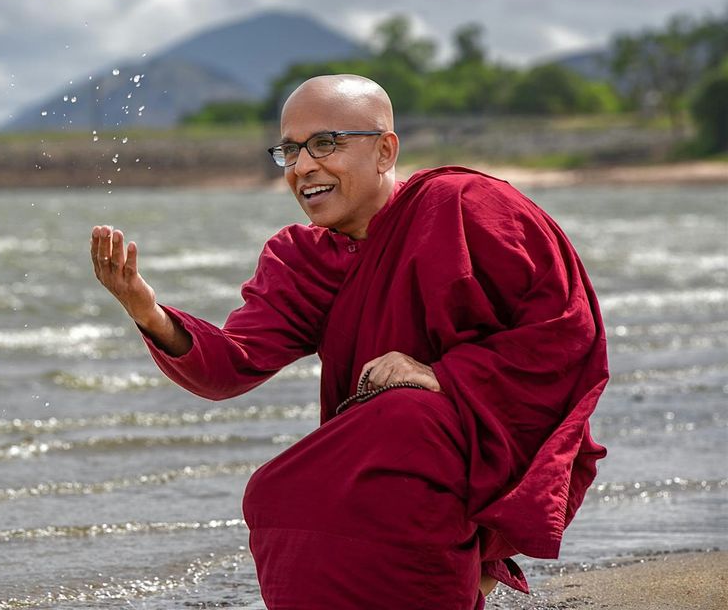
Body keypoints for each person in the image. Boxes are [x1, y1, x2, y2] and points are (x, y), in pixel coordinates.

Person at [89, 74, 608, 609]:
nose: (302, 166)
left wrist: (443, 376)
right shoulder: (301, 258)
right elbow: (229, 366)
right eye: (289, 150)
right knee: (277, 491)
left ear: (385, 150)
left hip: (498, 431)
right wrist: (147, 312)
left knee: (404, 415)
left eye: (325, 143)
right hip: (396, 448)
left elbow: (566, 327)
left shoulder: (464, 205)